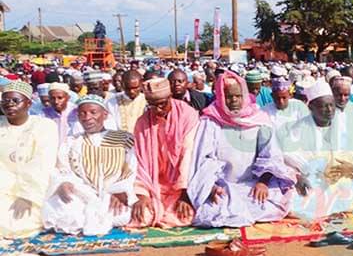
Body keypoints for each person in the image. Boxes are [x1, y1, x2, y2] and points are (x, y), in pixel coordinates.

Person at [188, 71, 295, 228]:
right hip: (223, 186)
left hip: (253, 184)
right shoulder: (210, 121)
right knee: (214, 210)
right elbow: (203, 159)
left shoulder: (259, 119)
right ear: (221, 97)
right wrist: (211, 186)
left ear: (244, 94)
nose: (234, 100)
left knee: (277, 200)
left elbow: (271, 154)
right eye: (229, 96)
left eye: (238, 96)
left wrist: (263, 182)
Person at [277, 81, 353, 221]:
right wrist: (297, 177)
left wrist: (352, 167)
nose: (329, 110)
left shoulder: (344, 125)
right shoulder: (298, 129)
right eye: (324, 106)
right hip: (313, 179)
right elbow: (286, 158)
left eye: (332, 105)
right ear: (311, 107)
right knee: (294, 203)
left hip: (342, 177)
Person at [43, 95, 137, 236]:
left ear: (104, 115)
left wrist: (119, 192)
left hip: (115, 195)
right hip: (83, 194)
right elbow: (63, 168)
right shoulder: (72, 142)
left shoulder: (124, 138)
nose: (87, 117)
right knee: (61, 210)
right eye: (83, 113)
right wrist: (65, 183)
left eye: (93, 112)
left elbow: (131, 168)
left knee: (125, 214)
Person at [128, 78, 200, 228]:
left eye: (162, 104)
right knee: (142, 216)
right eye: (153, 105)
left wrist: (185, 195)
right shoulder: (142, 122)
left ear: (170, 97)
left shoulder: (188, 115)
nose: (158, 110)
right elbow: (139, 162)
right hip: (154, 185)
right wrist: (142, 195)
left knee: (185, 216)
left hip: (182, 185)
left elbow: (189, 155)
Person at [0, 81, 59, 239]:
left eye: (15, 101)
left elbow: (42, 163)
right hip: (3, 188)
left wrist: (27, 195)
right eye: (5, 101)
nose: (9, 105)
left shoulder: (44, 126)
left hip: (35, 189)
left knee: (22, 223)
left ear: (28, 103)